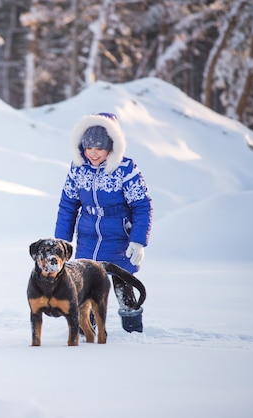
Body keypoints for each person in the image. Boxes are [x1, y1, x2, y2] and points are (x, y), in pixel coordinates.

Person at [54, 112, 152, 333]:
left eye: (99, 147)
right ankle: (86, 330)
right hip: (88, 237)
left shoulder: (126, 169)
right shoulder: (78, 168)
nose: (93, 153)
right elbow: (68, 205)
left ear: (112, 146)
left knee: (122, 284)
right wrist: (61, 241)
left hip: (119, 238)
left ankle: (132, 329)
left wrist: (137, 241)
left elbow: (142, 206)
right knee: (85, 285)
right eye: (88, 148)